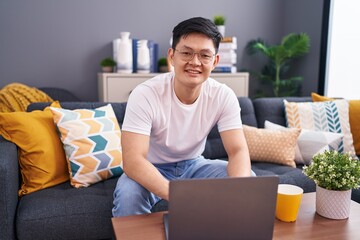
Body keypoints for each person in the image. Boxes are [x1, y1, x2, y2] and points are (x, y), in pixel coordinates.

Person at [112, 16, 253, 217]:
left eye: (205, 55)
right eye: (186, 53)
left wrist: (238, 190)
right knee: (128, 197)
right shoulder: (145, 94)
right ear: (172, 56)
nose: (194, 62)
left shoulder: (223, 96)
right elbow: (133, 161)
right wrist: (179, 197)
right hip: (151, 167)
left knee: (248, 180)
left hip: (195, 165)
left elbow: (238, 150)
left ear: (215, 61)